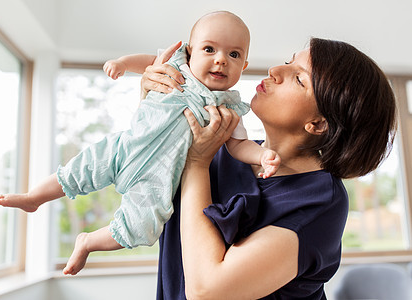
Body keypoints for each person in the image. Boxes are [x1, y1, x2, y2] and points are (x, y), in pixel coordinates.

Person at [0, 11, 280, 276]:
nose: (221, 60)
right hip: (126, 146)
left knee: (141, 225)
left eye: (233, 54)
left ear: (244, 65)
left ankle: (88, 242)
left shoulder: (228, 109)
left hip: (159, 177)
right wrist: (123, 64)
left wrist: (262, 155)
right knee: (78, 170)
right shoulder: (177, 70)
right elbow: (147, 63)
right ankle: (35, 197)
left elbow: (238, 146)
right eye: (209, 49)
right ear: (190, 52)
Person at [141, 37, 397, 299]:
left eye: (299, 79)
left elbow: (207, 290)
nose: (275, 71)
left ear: (319, 124)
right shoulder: (220, 147)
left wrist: (196, 163)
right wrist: (154, 103)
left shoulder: (319, 202)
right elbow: (140, 175)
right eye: (288, 61)